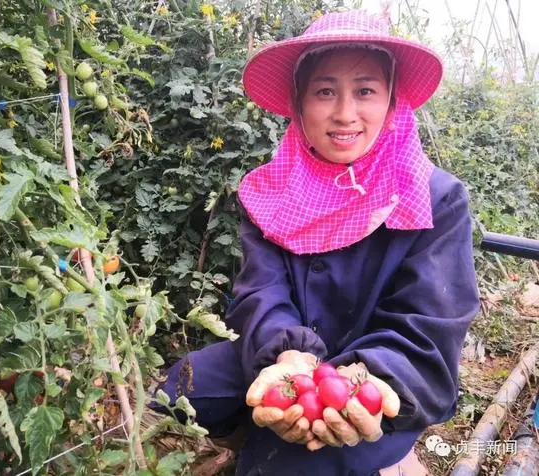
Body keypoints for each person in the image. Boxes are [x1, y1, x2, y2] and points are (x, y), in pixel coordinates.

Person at [153, 10, 480, 476]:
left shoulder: (435, 199)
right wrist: (287, 355)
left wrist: (364, 380)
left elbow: (428, 324)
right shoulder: (273, 190)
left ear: (390, 103)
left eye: (365, 90)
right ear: (299, 103)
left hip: (376, 377)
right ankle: (242, 430)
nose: (345, 113)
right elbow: (259, 291)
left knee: (290, 462)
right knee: (178, 391)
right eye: (325, 91)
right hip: (279, 353)